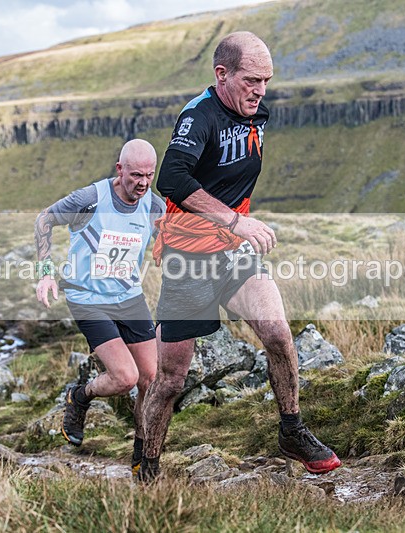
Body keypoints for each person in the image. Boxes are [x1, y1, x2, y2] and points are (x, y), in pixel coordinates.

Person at [139, 31, 341, 481]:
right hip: (188, 260)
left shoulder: (256, 113)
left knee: (278, 334)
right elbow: (170, 178)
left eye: (267, 81)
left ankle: (292, 429)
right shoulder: (199, 116)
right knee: (171, 379)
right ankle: (146, 465)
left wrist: (238, 227)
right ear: (222, 74)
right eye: (252, 80)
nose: (260, 91)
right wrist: (233, 220)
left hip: (234, 255)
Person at [34, 139, 165, 474]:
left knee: (150, 379)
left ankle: (142, 452)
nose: (143, 182)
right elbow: (44, 220)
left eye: (149, 175)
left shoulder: (153, 206)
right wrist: (46, 273)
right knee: (125, 378)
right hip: (88, 298)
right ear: (119, 170)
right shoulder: (91, 199)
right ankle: (81, 395)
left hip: (129, 297)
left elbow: (171, 240)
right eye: (136, 174)